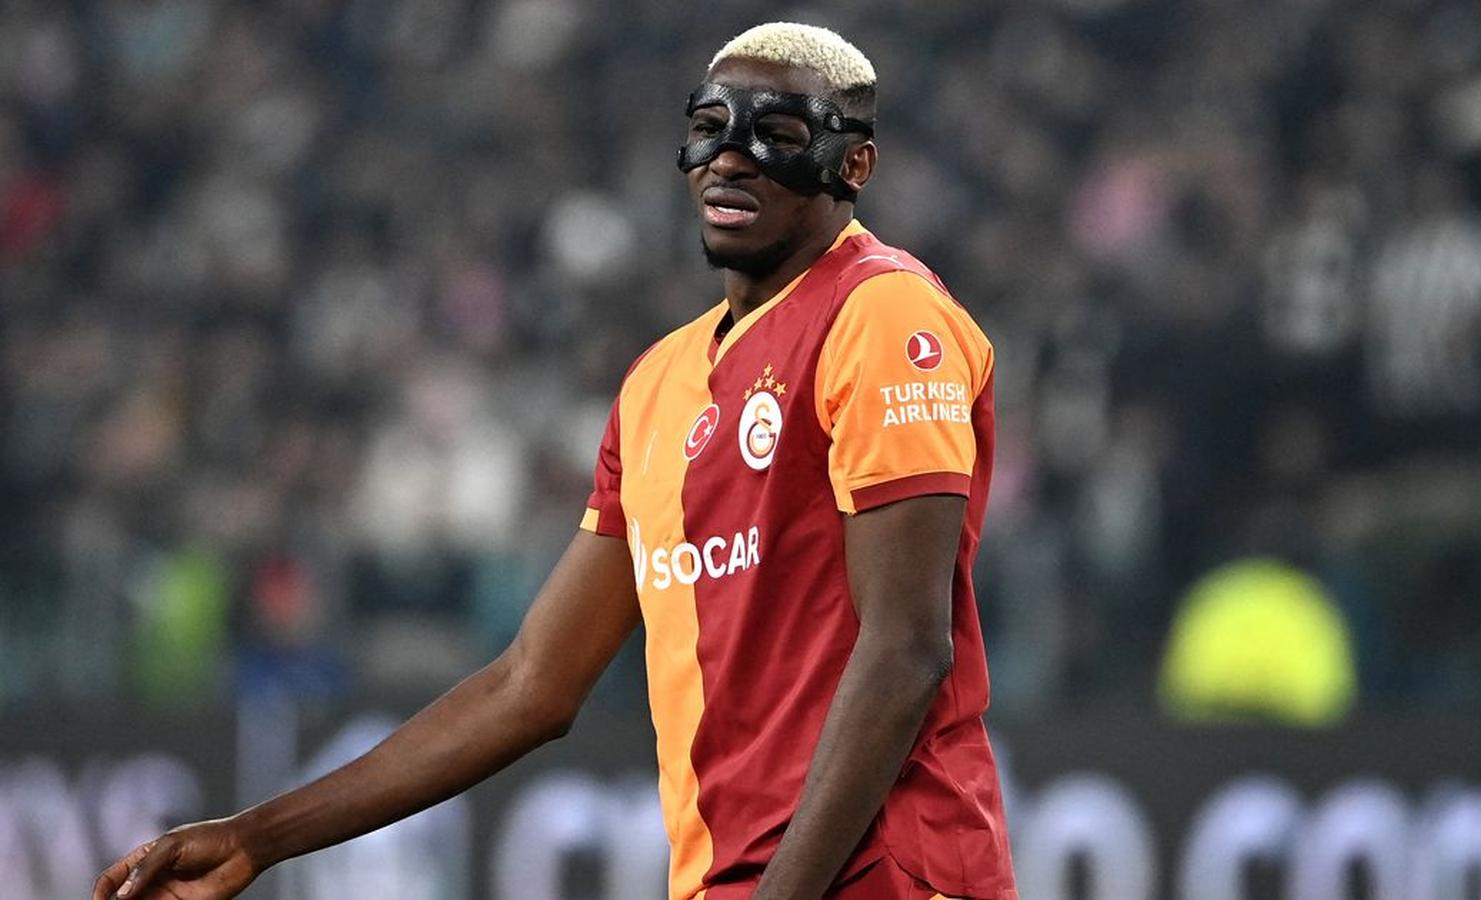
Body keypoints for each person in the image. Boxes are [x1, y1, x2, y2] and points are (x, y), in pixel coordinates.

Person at [94, 22, 1016, 900]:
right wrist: (255, 839)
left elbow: (906, 649)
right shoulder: (657, 386)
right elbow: (531, 684)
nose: (732, 158)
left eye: (777, 136)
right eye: (711, 128)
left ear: (854, 165)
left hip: (893, 876)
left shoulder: (883, 316)